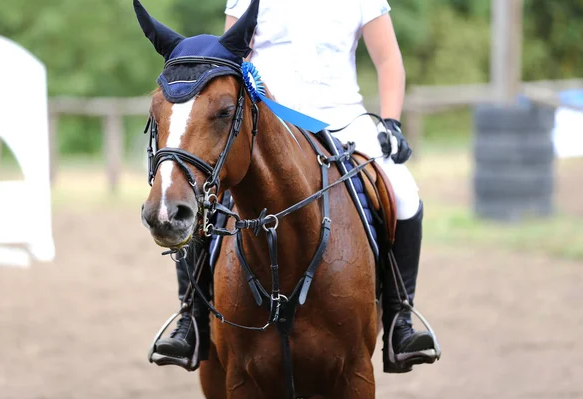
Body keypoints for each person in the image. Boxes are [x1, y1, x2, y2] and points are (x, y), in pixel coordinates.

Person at [155, 0, 440, 374]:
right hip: (270, 121)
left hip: (342, 119)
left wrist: (390, 121)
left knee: (404, 193)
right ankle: (191, 318)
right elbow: (224, 59)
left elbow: (388, 61)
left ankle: (400, 318)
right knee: (208, 191)